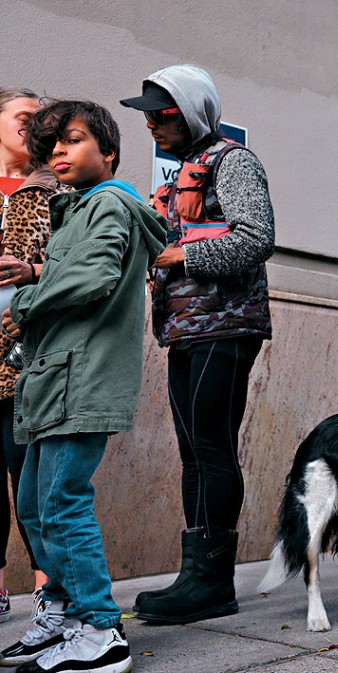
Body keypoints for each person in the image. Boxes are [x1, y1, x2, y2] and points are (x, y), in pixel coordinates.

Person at [0, 99, 165, 673]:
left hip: (82, 380)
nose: (58, 154)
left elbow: (96, 275)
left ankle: (102, 630)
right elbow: (86, 266)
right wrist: (39, 270)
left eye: (72, 140)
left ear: (109, 152)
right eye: (51, 148)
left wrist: (25, 299)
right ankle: (67, 615)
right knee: (34, 503)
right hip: (57, 381)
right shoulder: (80, 210)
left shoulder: (110, 202)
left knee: (63, 503)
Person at [120, 64, 275, 624]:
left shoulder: (233, 163)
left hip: (226, 328)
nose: (151, 127)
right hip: (187, 329)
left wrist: (179, 255)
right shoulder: (184, 170)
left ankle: (212, 581)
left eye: (160, 116)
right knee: (194, 451)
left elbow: (256, 238)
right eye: (147, 118)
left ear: (188, 112)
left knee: (211, 447)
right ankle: (197, 575)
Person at [0, 88, 56, 621]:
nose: (34, 124)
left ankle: (48, 588)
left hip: (25, 357)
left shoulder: (55, 191)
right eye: (23, 115)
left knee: (32, 480)